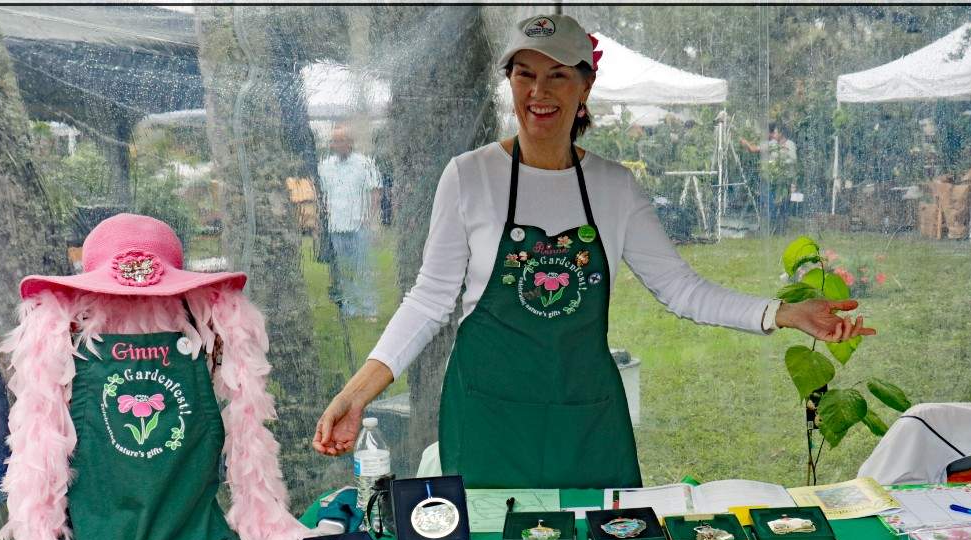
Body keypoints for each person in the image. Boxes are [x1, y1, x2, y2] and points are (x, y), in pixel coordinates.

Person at [312, 13, 873, 489]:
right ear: (509, 82)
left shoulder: (613, 186)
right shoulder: (469, 176)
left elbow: (682, 290)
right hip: (488, 414)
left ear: (584, 86)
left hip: (587, 417)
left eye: (557, 75)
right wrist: (356, 394)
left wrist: (784, 313)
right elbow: (430, 299)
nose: (539, 91)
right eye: (524, 74)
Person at [318, 124, 382, 320]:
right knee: (343, 271)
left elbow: (376, 191)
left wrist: (370, 218)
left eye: (340, 140)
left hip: (359, 226)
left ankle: (369, 309)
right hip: (336, 226)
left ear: (350, 142)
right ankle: (349, 309)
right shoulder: (325, 166)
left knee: (363, 268)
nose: (336, 145)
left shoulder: (365, 163)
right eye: (333, 141)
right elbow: (322, 195)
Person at [741, 122, 798, 232]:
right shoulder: (772, 144)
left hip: (786, 181)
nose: (773, 134)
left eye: (775, 132)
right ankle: (769, 228)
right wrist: (745, 143)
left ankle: (780, 229)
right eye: (773, 132)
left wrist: (782, 158)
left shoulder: (790, 145)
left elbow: (793, 161)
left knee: (783, 206)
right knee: (770, 204)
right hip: (773, 181)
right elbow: (753, 149)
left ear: (781, 133)